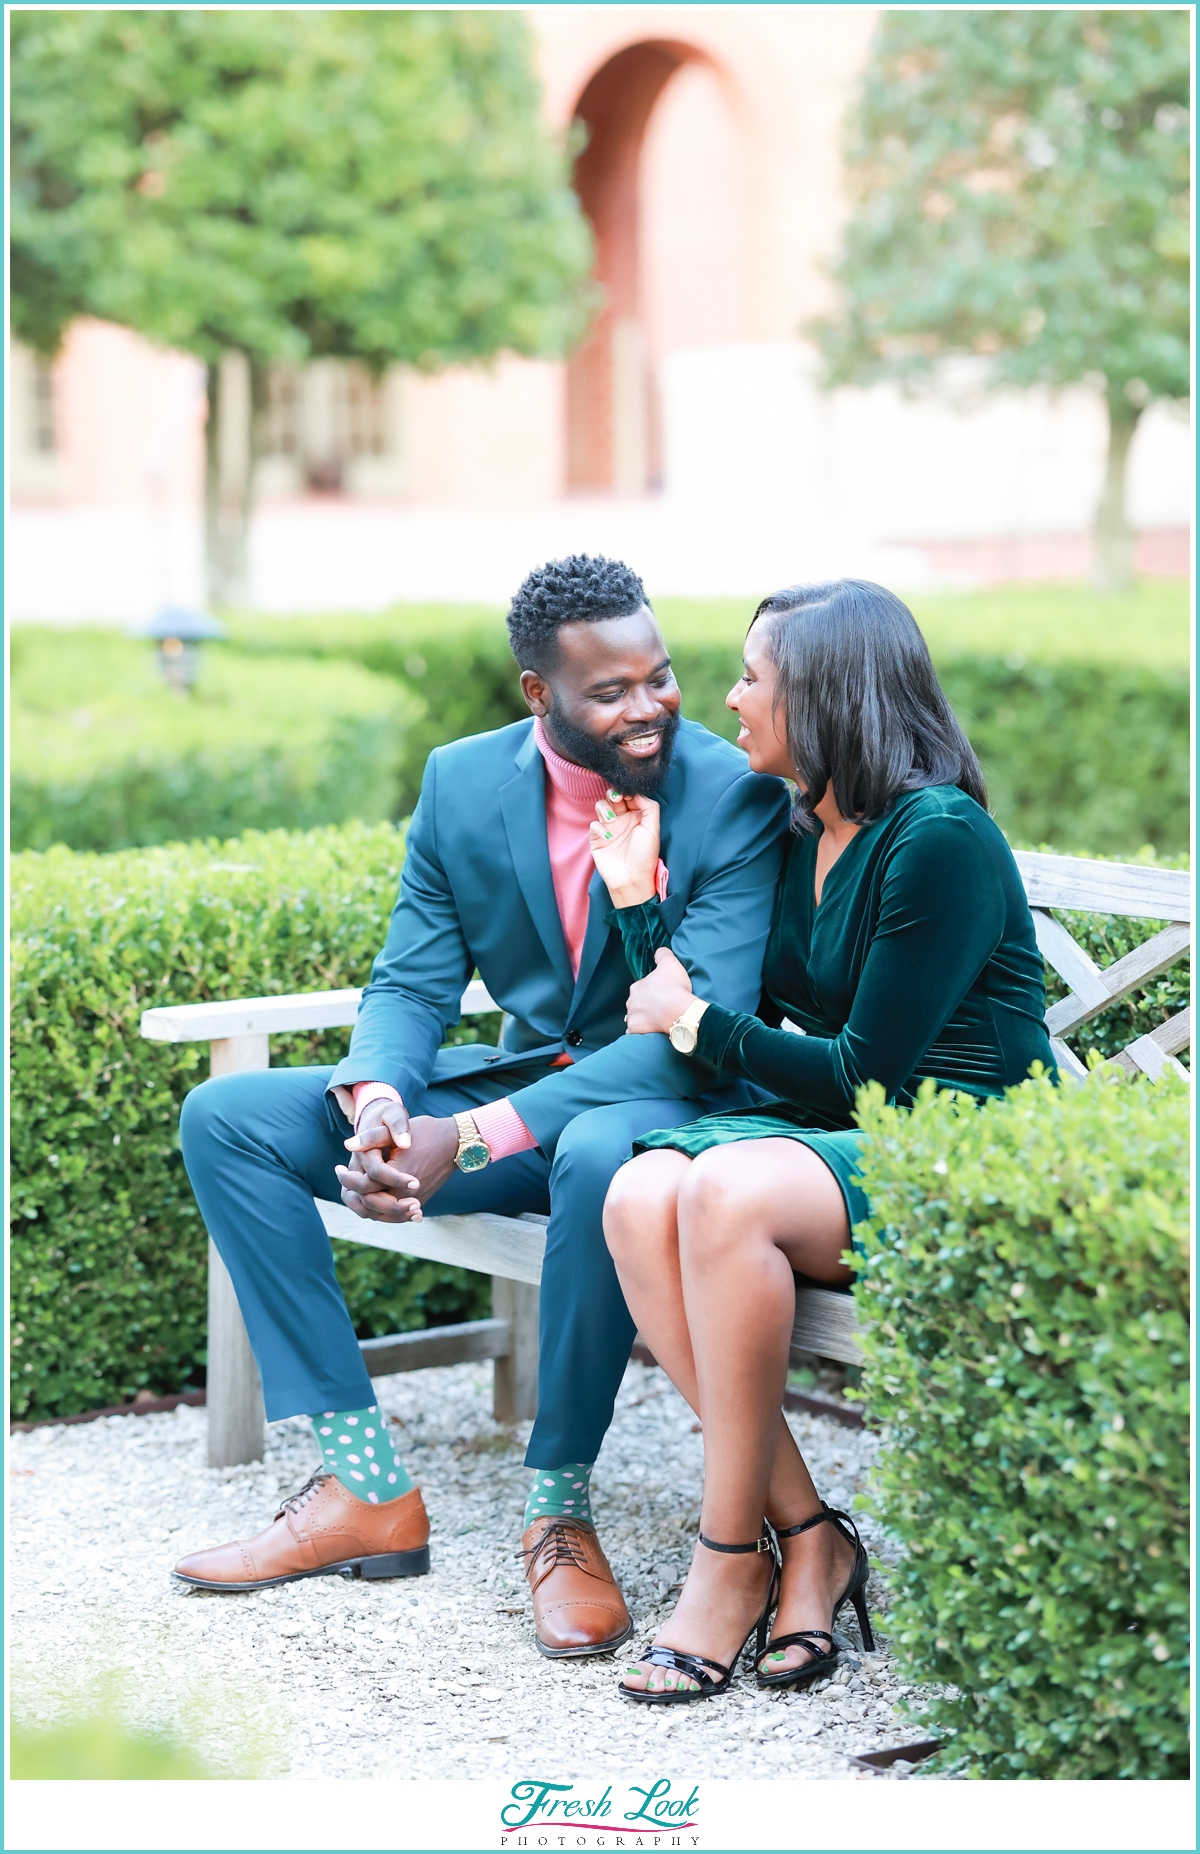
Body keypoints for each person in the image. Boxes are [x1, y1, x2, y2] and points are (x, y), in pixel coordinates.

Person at [172, 554, 790, 1660]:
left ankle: (558, 1511)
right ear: (537, 694)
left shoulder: (733, 794)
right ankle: (366, 1490)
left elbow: (698, 1026)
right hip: (509, 1096)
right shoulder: (461, 783)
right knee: (228, 1117)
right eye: (611, 690)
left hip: (665, 1111)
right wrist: (378, 1106)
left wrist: (469, 1134)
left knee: (602, 1154)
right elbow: (411, 979)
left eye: (661, 675)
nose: (649, 706)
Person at [589, 578, 1056, 1704]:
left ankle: (725, 1562)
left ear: (830, 693)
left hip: (957, 1141)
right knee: (636, 1195)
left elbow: (866, 1075)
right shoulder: (814, 829)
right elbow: (729, 1047)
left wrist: (698, 1019)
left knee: (726, 1194)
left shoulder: (937, 837)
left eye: (755, 676)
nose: (733, 698)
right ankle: (807, 1535)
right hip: (842, 1142)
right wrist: (635, 900)